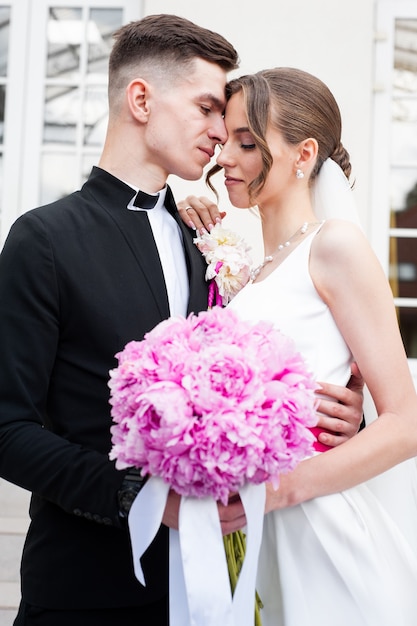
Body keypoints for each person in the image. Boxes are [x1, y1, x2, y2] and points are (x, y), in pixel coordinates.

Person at [0, 15, 363, 626]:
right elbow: (8, 428)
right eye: (205, 108)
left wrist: (327, 418)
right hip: (88, 588)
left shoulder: (208, 238)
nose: (222, 135)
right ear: (141, 99)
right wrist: (142, 500)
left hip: (220, 587)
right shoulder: (44, 239)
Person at [178, 67, 417, 625]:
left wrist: (278, 493)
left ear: (303, 154)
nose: (224, 159)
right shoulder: (249, 269)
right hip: (255, 535)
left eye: (246, 142)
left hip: (318, 531)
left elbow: (406, 423)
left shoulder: (334, 246)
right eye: (223, 140)